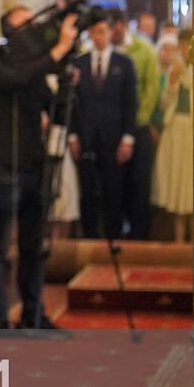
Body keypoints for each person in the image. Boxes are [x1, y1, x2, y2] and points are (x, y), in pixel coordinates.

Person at [0, 6, 79, 329]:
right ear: (12, 33)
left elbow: (55, 107)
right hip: (5, 165)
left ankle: (33, 315)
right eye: (28, 25)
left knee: (33, 248)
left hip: (34, 165)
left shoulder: (34, 70)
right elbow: (19, 78)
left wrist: (66, 82)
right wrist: (59, 49)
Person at [70, 17, 138, 240]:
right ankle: (90, 234)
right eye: (95, 32)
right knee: (87, 187)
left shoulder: (124, 63)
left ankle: (113, 233)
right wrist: (72, 135)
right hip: (86, 134)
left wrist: (128, 137)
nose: (99, 36)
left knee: (113, 187)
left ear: (110, 33)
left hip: (114, 135)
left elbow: (130, 102)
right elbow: (73, 102)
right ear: (90, 35)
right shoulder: (79, 63)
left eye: (103, 31)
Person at [110, 7, 158, 238]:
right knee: (114, 184)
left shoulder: (144, 49)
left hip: (137, 125)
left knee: (138, 183)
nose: (114, 29)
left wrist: (140, 119)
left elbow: (151, 87)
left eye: (117, 23)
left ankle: (139, 232)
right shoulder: (100, 49)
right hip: (112, 126)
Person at [150, 30, 193, 242]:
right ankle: (177, 240)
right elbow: (165, 104)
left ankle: (193, 239)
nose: (186, 50)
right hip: (175, 130)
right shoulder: (173, 69)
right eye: (183, 45)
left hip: (192, 133)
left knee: (189, 184)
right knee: (175, 181)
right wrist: (173, 82)